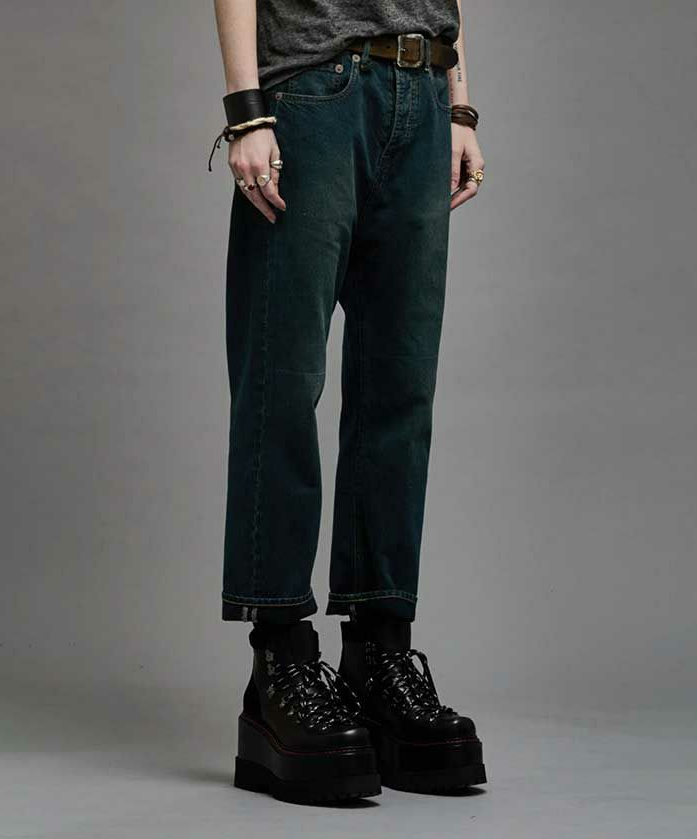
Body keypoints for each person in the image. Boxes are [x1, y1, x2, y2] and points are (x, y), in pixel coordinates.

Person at [211, 0, 486, 803]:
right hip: (312, 91)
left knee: (400, 389)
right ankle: (280, 664)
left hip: (422, 90)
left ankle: (379, 654)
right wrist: (246, 108)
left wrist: (460, 104)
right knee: (282, 381)